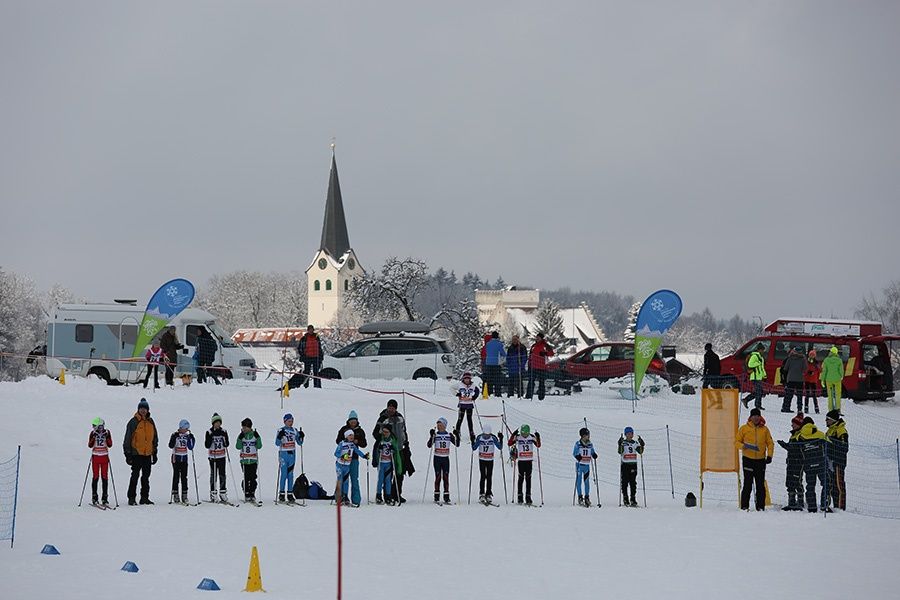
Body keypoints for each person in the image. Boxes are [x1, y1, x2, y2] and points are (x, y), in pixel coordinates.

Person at [372, 399, 413, 503]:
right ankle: (387, 494)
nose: (391, 409)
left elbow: (404, 431)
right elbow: (375, 433)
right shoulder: (383, 418)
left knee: (400, 472)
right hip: (387, 448)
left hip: (399, 449)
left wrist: (406, 443)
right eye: (389, 407)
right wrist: (383, 440)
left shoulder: (400, 418)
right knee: (387, 473)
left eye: (393, 407)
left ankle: (397, 493)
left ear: (396, 408)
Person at [735, 407, 774, 511]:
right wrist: (743, 446)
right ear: (750, 417)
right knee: (747, 484)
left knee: (760, 485)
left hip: (761, 460)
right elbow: (736, 442)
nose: (756, 418)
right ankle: (744, 506)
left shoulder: (765, 429)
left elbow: (770, 443)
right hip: (748, 459)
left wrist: (769, 455)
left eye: (758, 416)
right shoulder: (744, 428)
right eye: (754, 416)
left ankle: (760, 507)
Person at [123, 398, 158, 506]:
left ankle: (144, 497)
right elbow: (127, 438)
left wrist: (154, 452)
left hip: (147, 454)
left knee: (146, 477)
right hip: (136, 454)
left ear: (148, 410)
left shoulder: (151, 422)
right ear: (138, 409)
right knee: (135, 476)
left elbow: (154, 438)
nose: (143, 411)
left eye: (145, 409)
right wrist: (128, 454)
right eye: (141, 408)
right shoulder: (133, 422)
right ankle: (132, 497)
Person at [796, 416, 830, 513]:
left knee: (810, 486)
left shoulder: (800, 436)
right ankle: (824, 505)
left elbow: (796, 450)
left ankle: (812, 507)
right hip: (821, 463)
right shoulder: (821, 434)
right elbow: (830, 446)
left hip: (808, 465)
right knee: (826, 484)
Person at [335, 410, 367, 506]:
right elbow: (338, 441)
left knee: (354, 479)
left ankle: (356, 499)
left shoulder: (360, 431)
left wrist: (357, 442)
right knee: (342, 479)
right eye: (351, 421)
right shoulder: (344, 429)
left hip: (354, 459)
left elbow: (364, 444)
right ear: (348, 421)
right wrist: (345, 442)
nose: (353, 423)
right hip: (343, 460)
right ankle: (340, 497)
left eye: (354, 421)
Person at [777, 413, 806, 511]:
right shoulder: (794, 435)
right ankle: (791, 502)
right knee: (789, 482)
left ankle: (800, 502)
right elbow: (792, 448)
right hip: (790, 462)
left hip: (798, 463)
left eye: (794, 424)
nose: (792, 425)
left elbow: (796, 449)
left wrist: (785, 445)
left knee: (797, 482)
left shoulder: (801, 435)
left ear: (799, 425)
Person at [427, 417, 459, 504]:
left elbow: (457, 444)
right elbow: (429, 445)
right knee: (437, 476)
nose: (438, 427)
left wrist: (457, 435)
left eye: (440, 425)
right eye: (438, 425)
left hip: (445, 458)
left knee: (445, 477)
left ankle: (446, 496)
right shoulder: (436, 435)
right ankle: (436, 496)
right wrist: (431, 436)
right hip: (437, 458)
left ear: (444, 426)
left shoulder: (449, 435)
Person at [508, 424, 541, 505]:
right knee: (521, 479)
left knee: (528, 479)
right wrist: (513, 435)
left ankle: (528, 497)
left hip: (529, 461)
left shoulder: (531, 437)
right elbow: (509, 443)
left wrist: (538, 437)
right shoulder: (518, 437)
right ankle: (520, 497)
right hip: (521, 461)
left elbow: (538, 445)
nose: (524, 435)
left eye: (526, 434)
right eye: (523, 434)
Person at [276, 413, 304, 504]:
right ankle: (281, 493)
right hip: (283, 454)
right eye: (289, 421)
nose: (290, 423)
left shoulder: (294, 430)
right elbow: (277, 443)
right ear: (284, 421)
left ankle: (290, 493)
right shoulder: (281, 430)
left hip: (292, 454)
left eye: (292, 421)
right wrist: (280, 436)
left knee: (290, 474)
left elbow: (300, 443)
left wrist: (301, 436)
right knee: (284, 474)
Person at [472, 424, 502, 505]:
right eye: (485, 435)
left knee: (489, 476)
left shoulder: (493, 438)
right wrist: (473, 440)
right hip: (482, 459)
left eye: (487, 435)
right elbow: (474, 448)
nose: (486, 436)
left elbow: (499, 447)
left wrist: (501, 439)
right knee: (482, 476)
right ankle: (481, 493)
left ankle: (488, 493)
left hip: (490, 460)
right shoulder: (480, 437)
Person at [825, 410, 848, 510]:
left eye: (828, 419)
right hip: (830, 461)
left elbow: (844, 447)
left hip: (838, 461)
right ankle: (835, 506)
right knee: (832, 485)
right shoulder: (830, 430)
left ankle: (841, 507)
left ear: (833, 420)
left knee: (839, 484)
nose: (826, 421)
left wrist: (831, 446)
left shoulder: (841, 430)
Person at [373, 424, 401, 506]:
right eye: (383, 431)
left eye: (386, 432)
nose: (384, 433)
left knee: (388, 480)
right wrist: (379, 449)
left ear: (390, 432)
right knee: (380, 480)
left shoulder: (392, 440)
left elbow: (396, 451)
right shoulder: (380, 440)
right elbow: (376, 449)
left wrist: (393, 450)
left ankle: (388, 496)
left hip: (389, 463)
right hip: (381, 463)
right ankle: (378, 495)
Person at [235, 418, 262, 504]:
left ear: (250, 427)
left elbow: (259, 446)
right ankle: (246, 493)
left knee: (253, 477)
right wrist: (240, 438)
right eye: (243, 427)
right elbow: (238, 447)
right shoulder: (242, 435)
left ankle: (252, 492)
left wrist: (258, 438)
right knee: (246, 477)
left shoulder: (254, 435)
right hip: (244, 461)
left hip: (253, 460)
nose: (244, 429)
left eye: (246, 427)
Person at [168, 419, 195, 504]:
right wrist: (174, 437)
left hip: (184, 458)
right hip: (176, 458)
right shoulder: (175, 435)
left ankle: (184, 495)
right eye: (185, 428)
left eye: (187, 428)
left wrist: (192, 438)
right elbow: (170, 445)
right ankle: (175, 494)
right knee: (176, 476)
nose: (186, 430)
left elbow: (191, 447)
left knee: (184, 477)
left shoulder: (187, 436)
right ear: (181, 427)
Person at [87, 417, 112, 506]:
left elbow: (110, 444)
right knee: (96, 477)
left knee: (104, 477)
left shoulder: (107, 433)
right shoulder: (92, 433)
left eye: (95, 426)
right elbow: (89, 445)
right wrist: (93, 437)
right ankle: (94, 497)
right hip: (96, 458)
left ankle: (105, 498)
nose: (93, 427)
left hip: (104, 457)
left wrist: (107, 436)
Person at [205, 413, 230, 503]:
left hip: (222, 456)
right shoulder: (209, 432)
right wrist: (211, 437)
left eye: (219, 422)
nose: (218, 424)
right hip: (213, 456)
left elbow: (227, 444)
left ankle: (223, 492)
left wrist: (224, 437)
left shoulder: (223, 431)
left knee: (222, 474)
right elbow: (207, 445)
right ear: (213, 423)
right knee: (214, 475)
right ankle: (213, 493)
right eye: (216, 422)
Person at [618, 426, 645, 507]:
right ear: (626, 434)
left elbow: (640, 452)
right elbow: (620, 452)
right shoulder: (623, 443)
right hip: (625, 465)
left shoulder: (635, 443)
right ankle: (625, 498)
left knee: (633, 482)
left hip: (633, 465)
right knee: (625, 482)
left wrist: (642, 445)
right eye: (628, 433)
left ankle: (633, 498)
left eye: (631, 433)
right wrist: (620, 444)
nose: (630, 435)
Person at [525, 333, 555, 401]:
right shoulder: (533, 346)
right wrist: (529, 364)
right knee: (531, 381)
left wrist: (545, 353)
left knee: (541, 382)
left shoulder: (545, 345)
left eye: (538, 337)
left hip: (542, 367)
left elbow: (551, 353)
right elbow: (530, 355)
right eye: (536, 337)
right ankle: (529, 396)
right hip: (533, 366)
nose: (537, 339)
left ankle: (541, 397)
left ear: (541, 338)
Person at [573, 427, 598, 507]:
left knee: (586, 482)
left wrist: (594, 455)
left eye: (588, 435)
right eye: (586, 435)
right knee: (579, 481)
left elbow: (592, 451)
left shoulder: (590, 444)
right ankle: (580, 497)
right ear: (582, 436)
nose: (588, 437)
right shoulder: (578, 444)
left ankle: (587, 497)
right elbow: (574, 453)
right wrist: (577, 456)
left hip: (587, 465)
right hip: (579, 465)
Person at [454, 372, 480, 443]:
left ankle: (471, 432)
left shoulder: (473, 385)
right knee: (460, 419)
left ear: (470, 379)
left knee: (469, 420)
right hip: (462, 405)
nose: (467, 380)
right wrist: (457, 394)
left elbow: (478, 391)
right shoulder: (460, 384)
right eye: (465, 379)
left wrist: (474, 397)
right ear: (463, 379)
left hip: (469, 405)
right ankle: (457, 432)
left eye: (468, 379)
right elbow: (451, 388)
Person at [781, 346, 806, 413]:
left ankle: (786, 407)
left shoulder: (790, 358)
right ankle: (799, 409)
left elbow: (785, 368)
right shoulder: (803, 359)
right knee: (799, 395)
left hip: (790, 378)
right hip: (800, 379)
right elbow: (805, 369)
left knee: (789, 394)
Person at [742, 344, 767, 410]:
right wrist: (758, 363)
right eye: (762, 350)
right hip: (755, 377)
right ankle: (757, 406)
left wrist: (764, 375)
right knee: (759, 391)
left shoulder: (761, 357)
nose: (763, 351)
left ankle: (746, 400)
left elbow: (762, 368)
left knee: (759, 391)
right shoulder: (754, 356)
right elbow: (750, 364)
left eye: (763, 350)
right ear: (759, 350)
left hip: (759, 377)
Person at [820, 346, 845, 412]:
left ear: (830, 352)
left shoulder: (826, 360)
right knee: (837, 395)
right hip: (837, 379)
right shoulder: (839, 360)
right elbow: (841, 370)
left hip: (829, 380)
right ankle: (838, 409)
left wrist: (822, 380)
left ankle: (830, 409)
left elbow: (824, 371)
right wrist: (841, 376)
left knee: (830, 395)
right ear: (836, 353)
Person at [483, 331, 507, 397]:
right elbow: (504, 354)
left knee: (489, 380)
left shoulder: (488, 344)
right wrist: (501, 362)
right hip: (496, 364)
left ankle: (489, 393)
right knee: (497, 380)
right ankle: (497, 393)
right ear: (497, 337)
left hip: (488, 363)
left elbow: (487, 352)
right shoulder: (499, 344)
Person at [803, 350, 821, 414]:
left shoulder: (816, 362)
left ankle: (816, 408)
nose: (812, 356)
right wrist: (808, 372)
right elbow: (804, 371)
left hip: (813, 380)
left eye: (813, 355)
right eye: (811, 355)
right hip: (807, 380)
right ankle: (806, 408)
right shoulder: (806, 362)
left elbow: (820, 370)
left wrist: (816, 366)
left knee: (814, 395)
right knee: (807, 395)